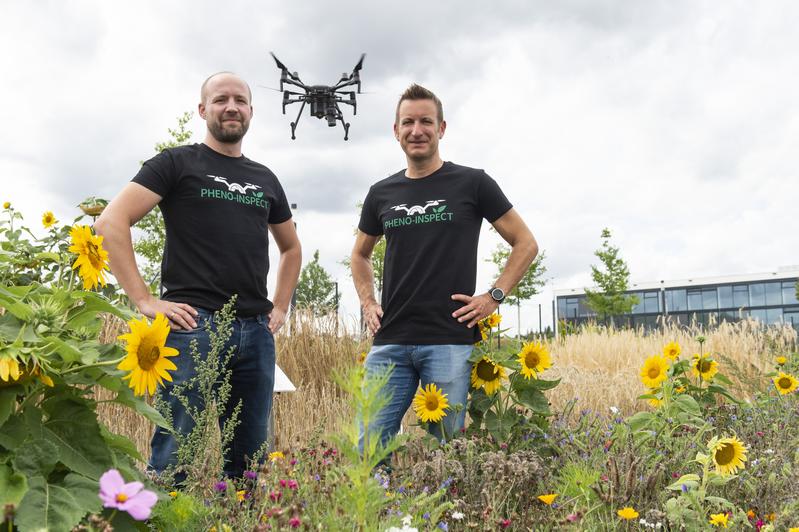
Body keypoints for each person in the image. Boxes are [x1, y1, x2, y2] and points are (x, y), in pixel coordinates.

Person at [95, 72, 301, 479]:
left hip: (256, 332)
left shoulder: (265, 178)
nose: (231, 107)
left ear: (251, 112)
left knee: (249, 463)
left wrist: (280, 306)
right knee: (176, 453)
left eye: (240, 100)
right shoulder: (176, 163)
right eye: (221, 99)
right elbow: (109, 222)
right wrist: (143, 300)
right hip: (193, 326)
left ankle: (241, 521)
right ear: (203, 109)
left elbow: (291, 248)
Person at [351, 84, 538, 449]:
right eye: (408, 122)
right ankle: (380, 508)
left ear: (442, 128)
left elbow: (525, 243)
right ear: (396, 131)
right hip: (390, 340)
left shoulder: (473, 183)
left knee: (446, 451)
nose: (416, 130)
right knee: (367, 448)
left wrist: (493, 296)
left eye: (425, 121)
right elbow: (359, 254)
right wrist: (368, 302)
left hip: (449, 341)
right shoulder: (381, 193)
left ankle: (444, 508)